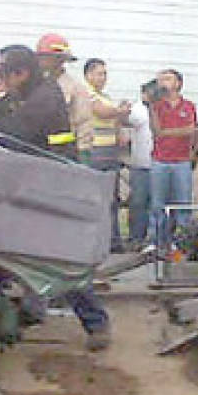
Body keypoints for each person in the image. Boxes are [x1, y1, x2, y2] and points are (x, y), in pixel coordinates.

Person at [0, 44, 112, 349]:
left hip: (51, 190)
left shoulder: (45, 97)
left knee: (57, 259)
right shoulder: (24, 93)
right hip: (28, 187)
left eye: (6, 73)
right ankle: (22, 312)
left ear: (22, 73)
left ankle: (97, 325)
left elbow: (10, 131)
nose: (2, 78)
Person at [82, 58, 131, 252]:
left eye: (105, 74)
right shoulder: (85, 92)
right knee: (95, 198)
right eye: (99, 73)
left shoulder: (105, 96)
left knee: (112, 198)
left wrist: (120, 118)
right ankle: (95, 241)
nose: (103, 78)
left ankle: (113, 240)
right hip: (94, 150)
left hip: (110, 151)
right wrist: (119, 110)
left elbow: (116, 117)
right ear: (88, 75)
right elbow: (101, 112)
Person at [150, 68, 198, 247]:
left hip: (181, 160)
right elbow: (156, 132)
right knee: (157, 203)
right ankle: (157, 241)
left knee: (183, 202)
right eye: (160, 79)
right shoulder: (156, 106)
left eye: (168, 79)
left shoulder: (188, 105)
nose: (163, 82)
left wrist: (168, 132)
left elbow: (191, 129)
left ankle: (181, 241)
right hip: (160, 159)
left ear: (178, 83)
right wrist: (152, 107)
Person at [124, 80, 157, 249]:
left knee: (156, 203)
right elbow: (125, 120)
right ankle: (136, 237)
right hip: (140, 164)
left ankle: (154, 239)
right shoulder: (137, 109)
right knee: (138, 202)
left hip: (159, 164)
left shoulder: (162, 108)